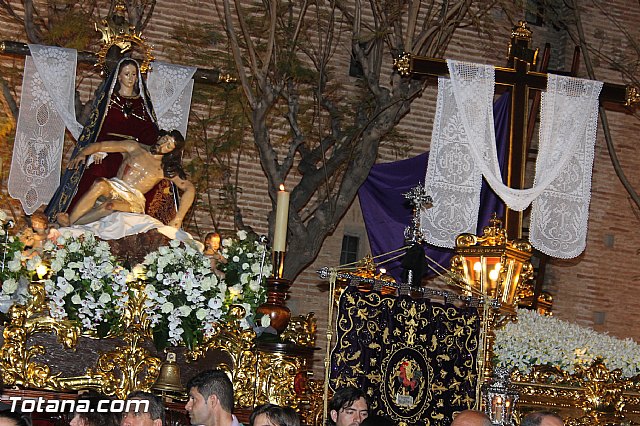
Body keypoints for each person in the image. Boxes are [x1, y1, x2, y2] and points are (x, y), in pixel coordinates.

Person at [46, 57, 175, 224]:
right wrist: (97, 150)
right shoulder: (108, 101)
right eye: (126, 74)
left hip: (131, 154)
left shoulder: (142, 105)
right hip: (108, 152)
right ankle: (72, 218)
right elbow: (97, 127)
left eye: (134, 74)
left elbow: (150, 135)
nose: (130, 78)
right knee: (97, 173)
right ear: (119, 77)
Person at [57, 129, 194, 229]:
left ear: (171, 151)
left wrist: (179, 217)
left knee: (110, 205)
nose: (163, 145)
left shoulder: (165, 168)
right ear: (162, 136)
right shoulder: (134, 147)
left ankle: (73, 225)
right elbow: (100, 145)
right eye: (165, 140)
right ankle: (70, 221)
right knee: (100, 184)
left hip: (134, 200)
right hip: (115, 186)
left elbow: (189, 188)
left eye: (168, 146)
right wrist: (83, 153)